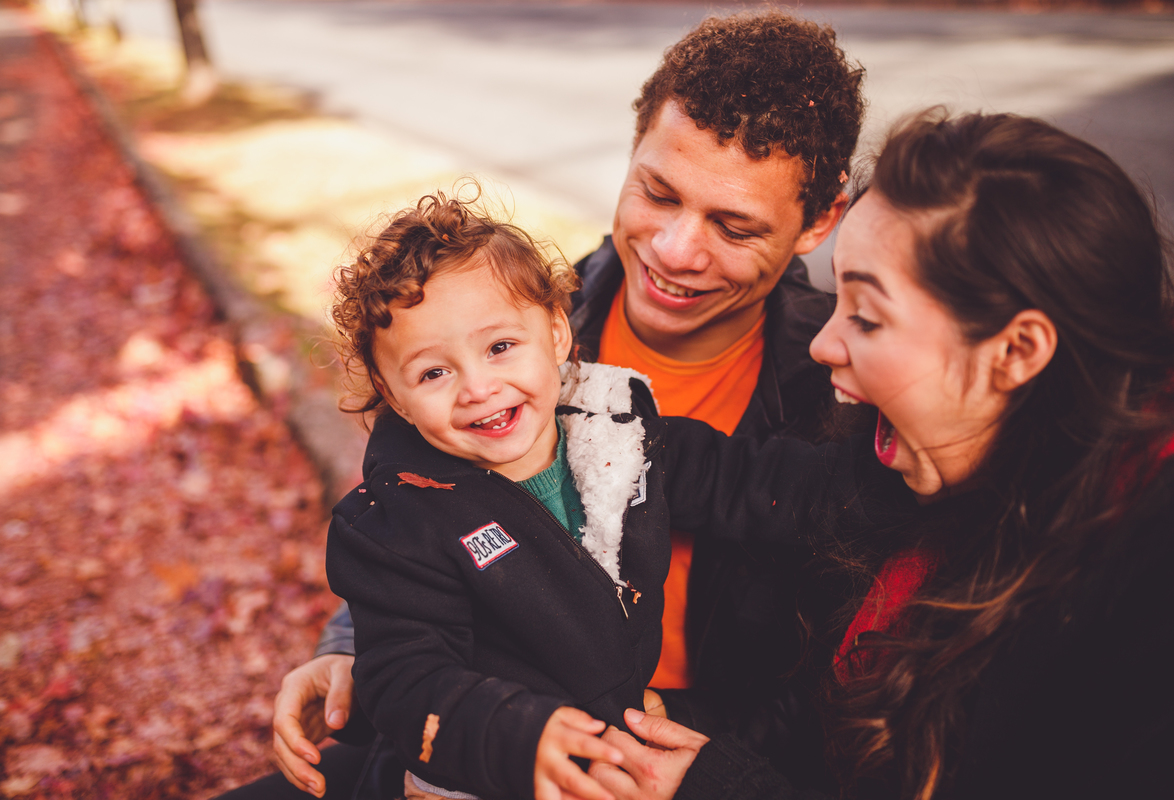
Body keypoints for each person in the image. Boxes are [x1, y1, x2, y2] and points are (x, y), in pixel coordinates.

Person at [225, 10, 865, 800]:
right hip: (472, 738)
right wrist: (359, 656)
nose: (674, 250)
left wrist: (678, 747)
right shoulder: (492, 331)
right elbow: (416, 536)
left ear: (822, 220)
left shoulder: (839, 399)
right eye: (658, 193)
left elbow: (841, 690)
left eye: (733, 226)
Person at [585, 110, 1174, 800]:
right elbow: (833, 727)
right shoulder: (948, 462)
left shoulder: (1165, 602)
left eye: (868, 318)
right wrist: (669, 724)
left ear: (1017, 352)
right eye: (838, 293)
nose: (826, 346)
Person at [322, 189, 672, 800]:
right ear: (394, 396)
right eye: (434, 372)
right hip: (477, 777)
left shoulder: (618, 428)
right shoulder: (396, 523)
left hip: (618, 746)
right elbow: (403, 679)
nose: (478, 387)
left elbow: (752, 480)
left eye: (500, 347)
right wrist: (515, 734)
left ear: (558, 333)